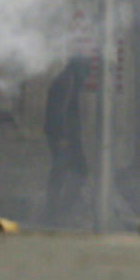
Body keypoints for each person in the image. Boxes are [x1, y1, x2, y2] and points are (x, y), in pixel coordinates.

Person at [43, 56, 92, 224]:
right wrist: (63, 136)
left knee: (68, 171)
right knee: (70, 171)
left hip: (66, 135)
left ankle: (57, 210)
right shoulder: (67, 81)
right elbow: (60, 110)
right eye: (85, 69)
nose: (87, 74)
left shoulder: (67, 79)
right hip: (64, 137)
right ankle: (56, 211)